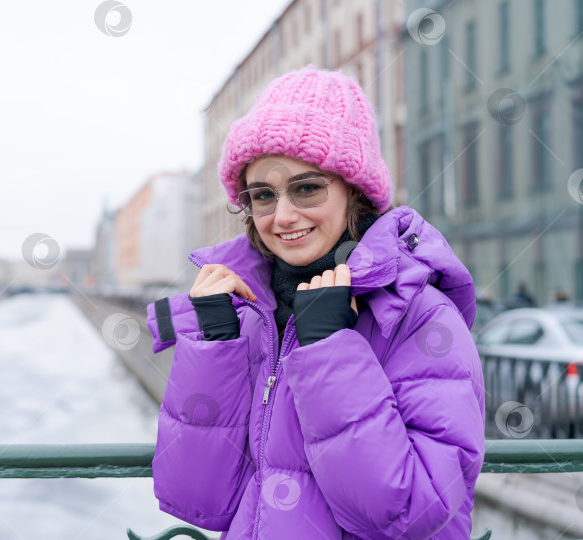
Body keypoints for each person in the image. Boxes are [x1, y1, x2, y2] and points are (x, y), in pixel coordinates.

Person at [146, 67, 485, 539]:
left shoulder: (418, 315)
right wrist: (216, 348)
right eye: (263, 195)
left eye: (307, 188)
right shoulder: (250, 314)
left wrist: (330, 351)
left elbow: (414, 514)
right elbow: (198, 500)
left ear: (356, 192)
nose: (283, 216)